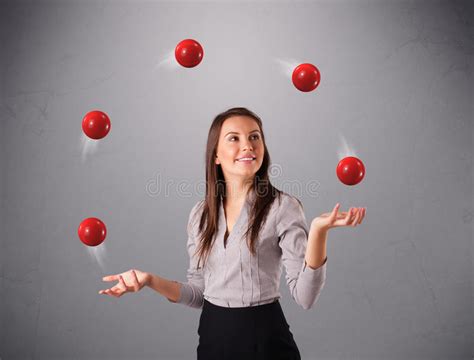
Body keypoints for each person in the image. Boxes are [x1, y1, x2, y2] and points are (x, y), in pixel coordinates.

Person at [99, 107, 366, 359]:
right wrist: (148, 280)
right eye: (234, 138)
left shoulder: (284, 208)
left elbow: (305, 298)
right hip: (213, 338)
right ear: (216, 155)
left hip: (265, 340)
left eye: (254, 137)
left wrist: (319, 231)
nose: (248, 145)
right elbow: (198, 294)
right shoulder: (200, 215)